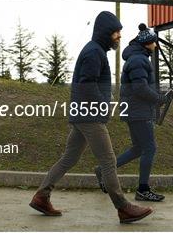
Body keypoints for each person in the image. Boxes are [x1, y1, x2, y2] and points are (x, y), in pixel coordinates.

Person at [30, 11, 154, 224]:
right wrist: (103, 106)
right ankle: (123, 207)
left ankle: (42, 196)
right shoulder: (94, 53)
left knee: (69, 158)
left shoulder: (95, 51)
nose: (119, 36)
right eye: (116, 32)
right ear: (106, 32)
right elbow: (88, 85)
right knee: (108, 160)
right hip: (90, 116)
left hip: (82, 114)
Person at [95, 23, 170, 202]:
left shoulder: (137, 57)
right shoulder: (138, 60)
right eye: (154, 42)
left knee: (138, 148)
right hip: (139, 111)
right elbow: (140, 88)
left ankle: (102, 171)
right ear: (147, 43)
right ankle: (143, 190)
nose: (156, 45)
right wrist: (159, 99)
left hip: (135, 110)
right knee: (149, 148)